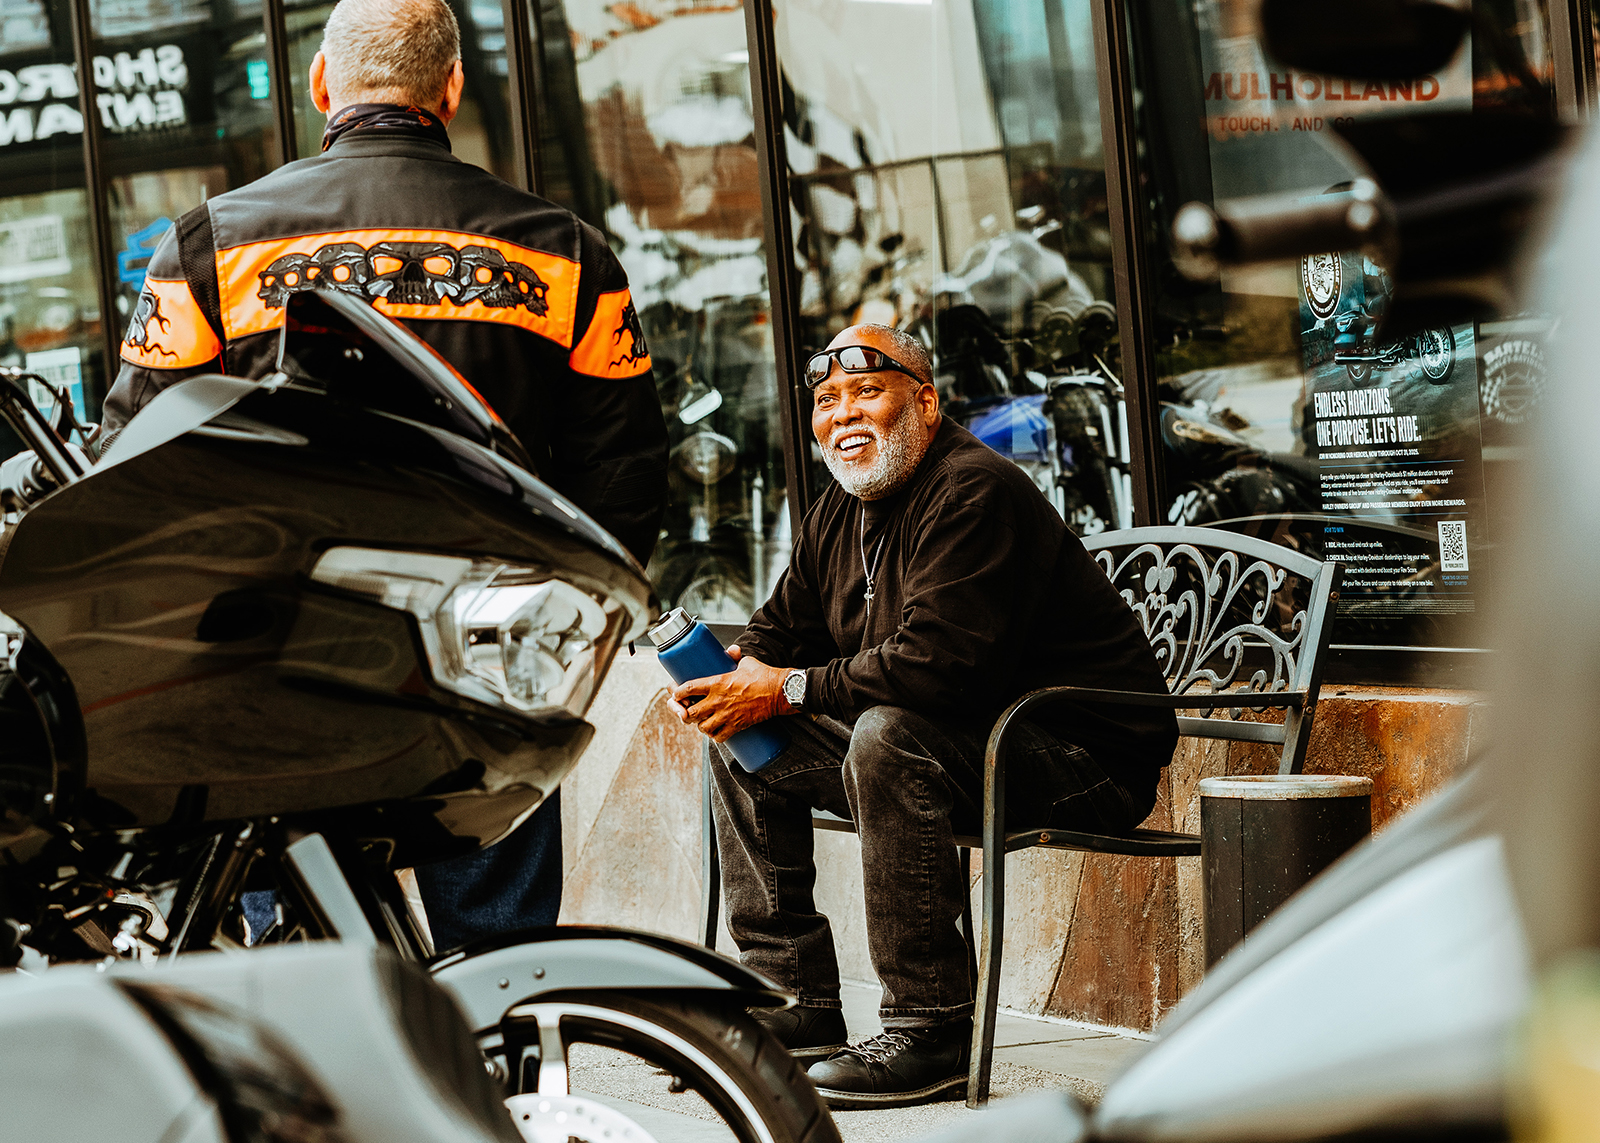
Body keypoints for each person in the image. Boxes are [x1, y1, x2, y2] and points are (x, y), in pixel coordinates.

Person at [102, 0, 669, 952]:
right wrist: (564, 627)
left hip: (286, 656)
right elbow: (627, 476)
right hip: (488, 648)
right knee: (506, 963)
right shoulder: (566, 250)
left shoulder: (208, 245)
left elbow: (135, 460)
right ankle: (512, 1087)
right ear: (449, 89)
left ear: (321, 86)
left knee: (309, 960)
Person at [670, 323, 1177, 1108]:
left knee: (887, 736)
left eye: (868, 392)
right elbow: (778, 628)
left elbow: (937, 668)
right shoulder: (841, 507)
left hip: (1082, 755)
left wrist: (785, 688)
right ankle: (793, 1000)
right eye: (828, 401)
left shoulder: (975, 490)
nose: (844, 415)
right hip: (971, 741)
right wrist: (729, 680)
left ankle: (932, 1026)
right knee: (743, 734)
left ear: (926, 402)